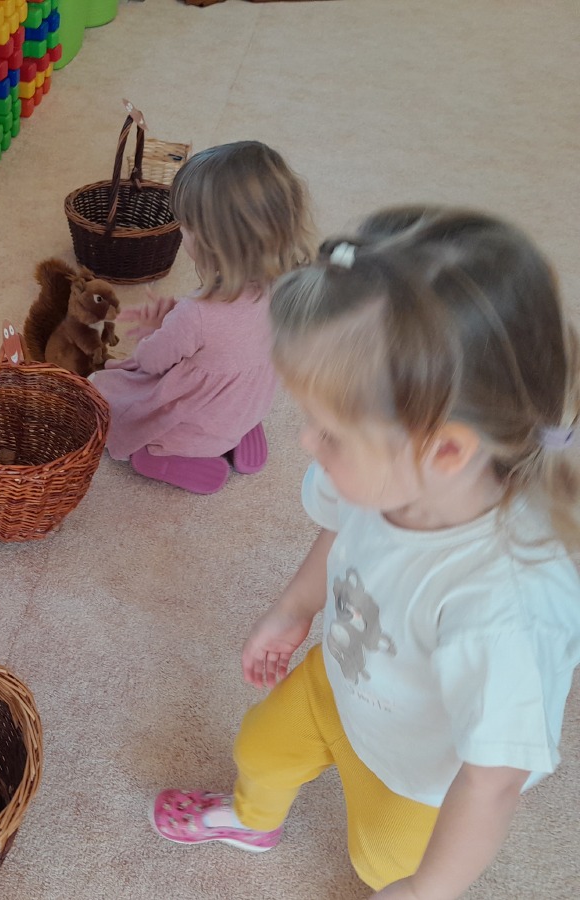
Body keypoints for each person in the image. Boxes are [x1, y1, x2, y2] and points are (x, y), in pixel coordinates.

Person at [151, 206, 580, 897]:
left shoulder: (505, 606)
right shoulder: (386, 473)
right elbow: (343, 531)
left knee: (383, 864)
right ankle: (255, 821)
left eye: (329, 431)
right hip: (343, 678)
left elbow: (492, 783)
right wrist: (294, 607)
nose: (306, 443)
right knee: (259, 748)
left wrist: (426, 891)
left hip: (423, 775)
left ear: (446, 450)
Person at [90, 140, 315, 494]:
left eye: (186, 225)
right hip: (247, 405)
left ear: (212, 241)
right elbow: (236, 338)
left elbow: (151, 361)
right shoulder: (289, 286)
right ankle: (241, 433)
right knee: (228, 392)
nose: (181, 231)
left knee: (104, 392)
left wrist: (152, 333)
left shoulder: (197, 312)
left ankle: (164, 457)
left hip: (195, 426)